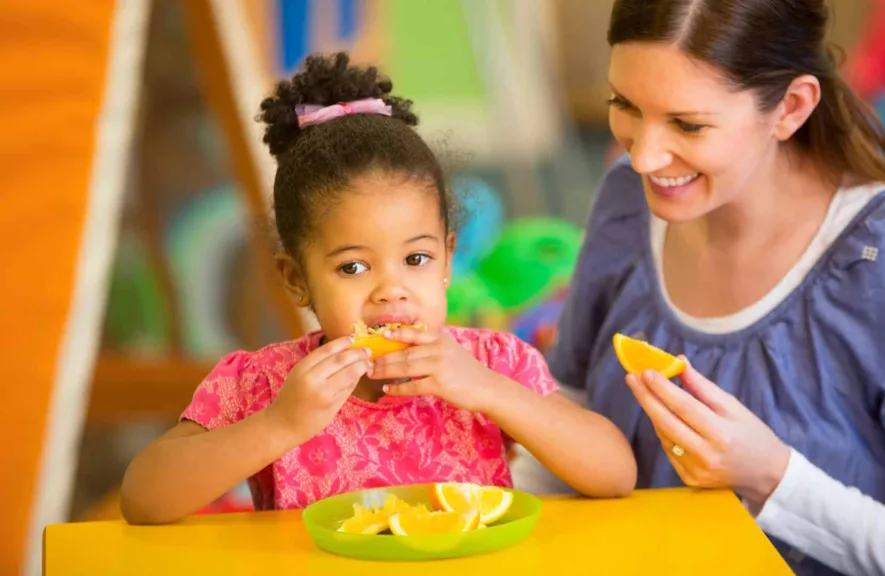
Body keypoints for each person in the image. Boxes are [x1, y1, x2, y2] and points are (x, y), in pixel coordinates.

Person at [516, 1, 885, 574]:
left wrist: (770, 476)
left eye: (688, 124)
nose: (644, 156)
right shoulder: (627, 200)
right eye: (624, 104)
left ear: (791, 108)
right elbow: (564, 412)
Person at [120, 53, 636, 524]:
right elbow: (143, 499)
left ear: (447, 260)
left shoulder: (493, 363)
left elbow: (615, 474)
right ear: (297, 279)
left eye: (415, 259)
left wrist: (487, 390)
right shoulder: (264, 384)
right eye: (352, 268)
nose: (391, 290)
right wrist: (280, 425)